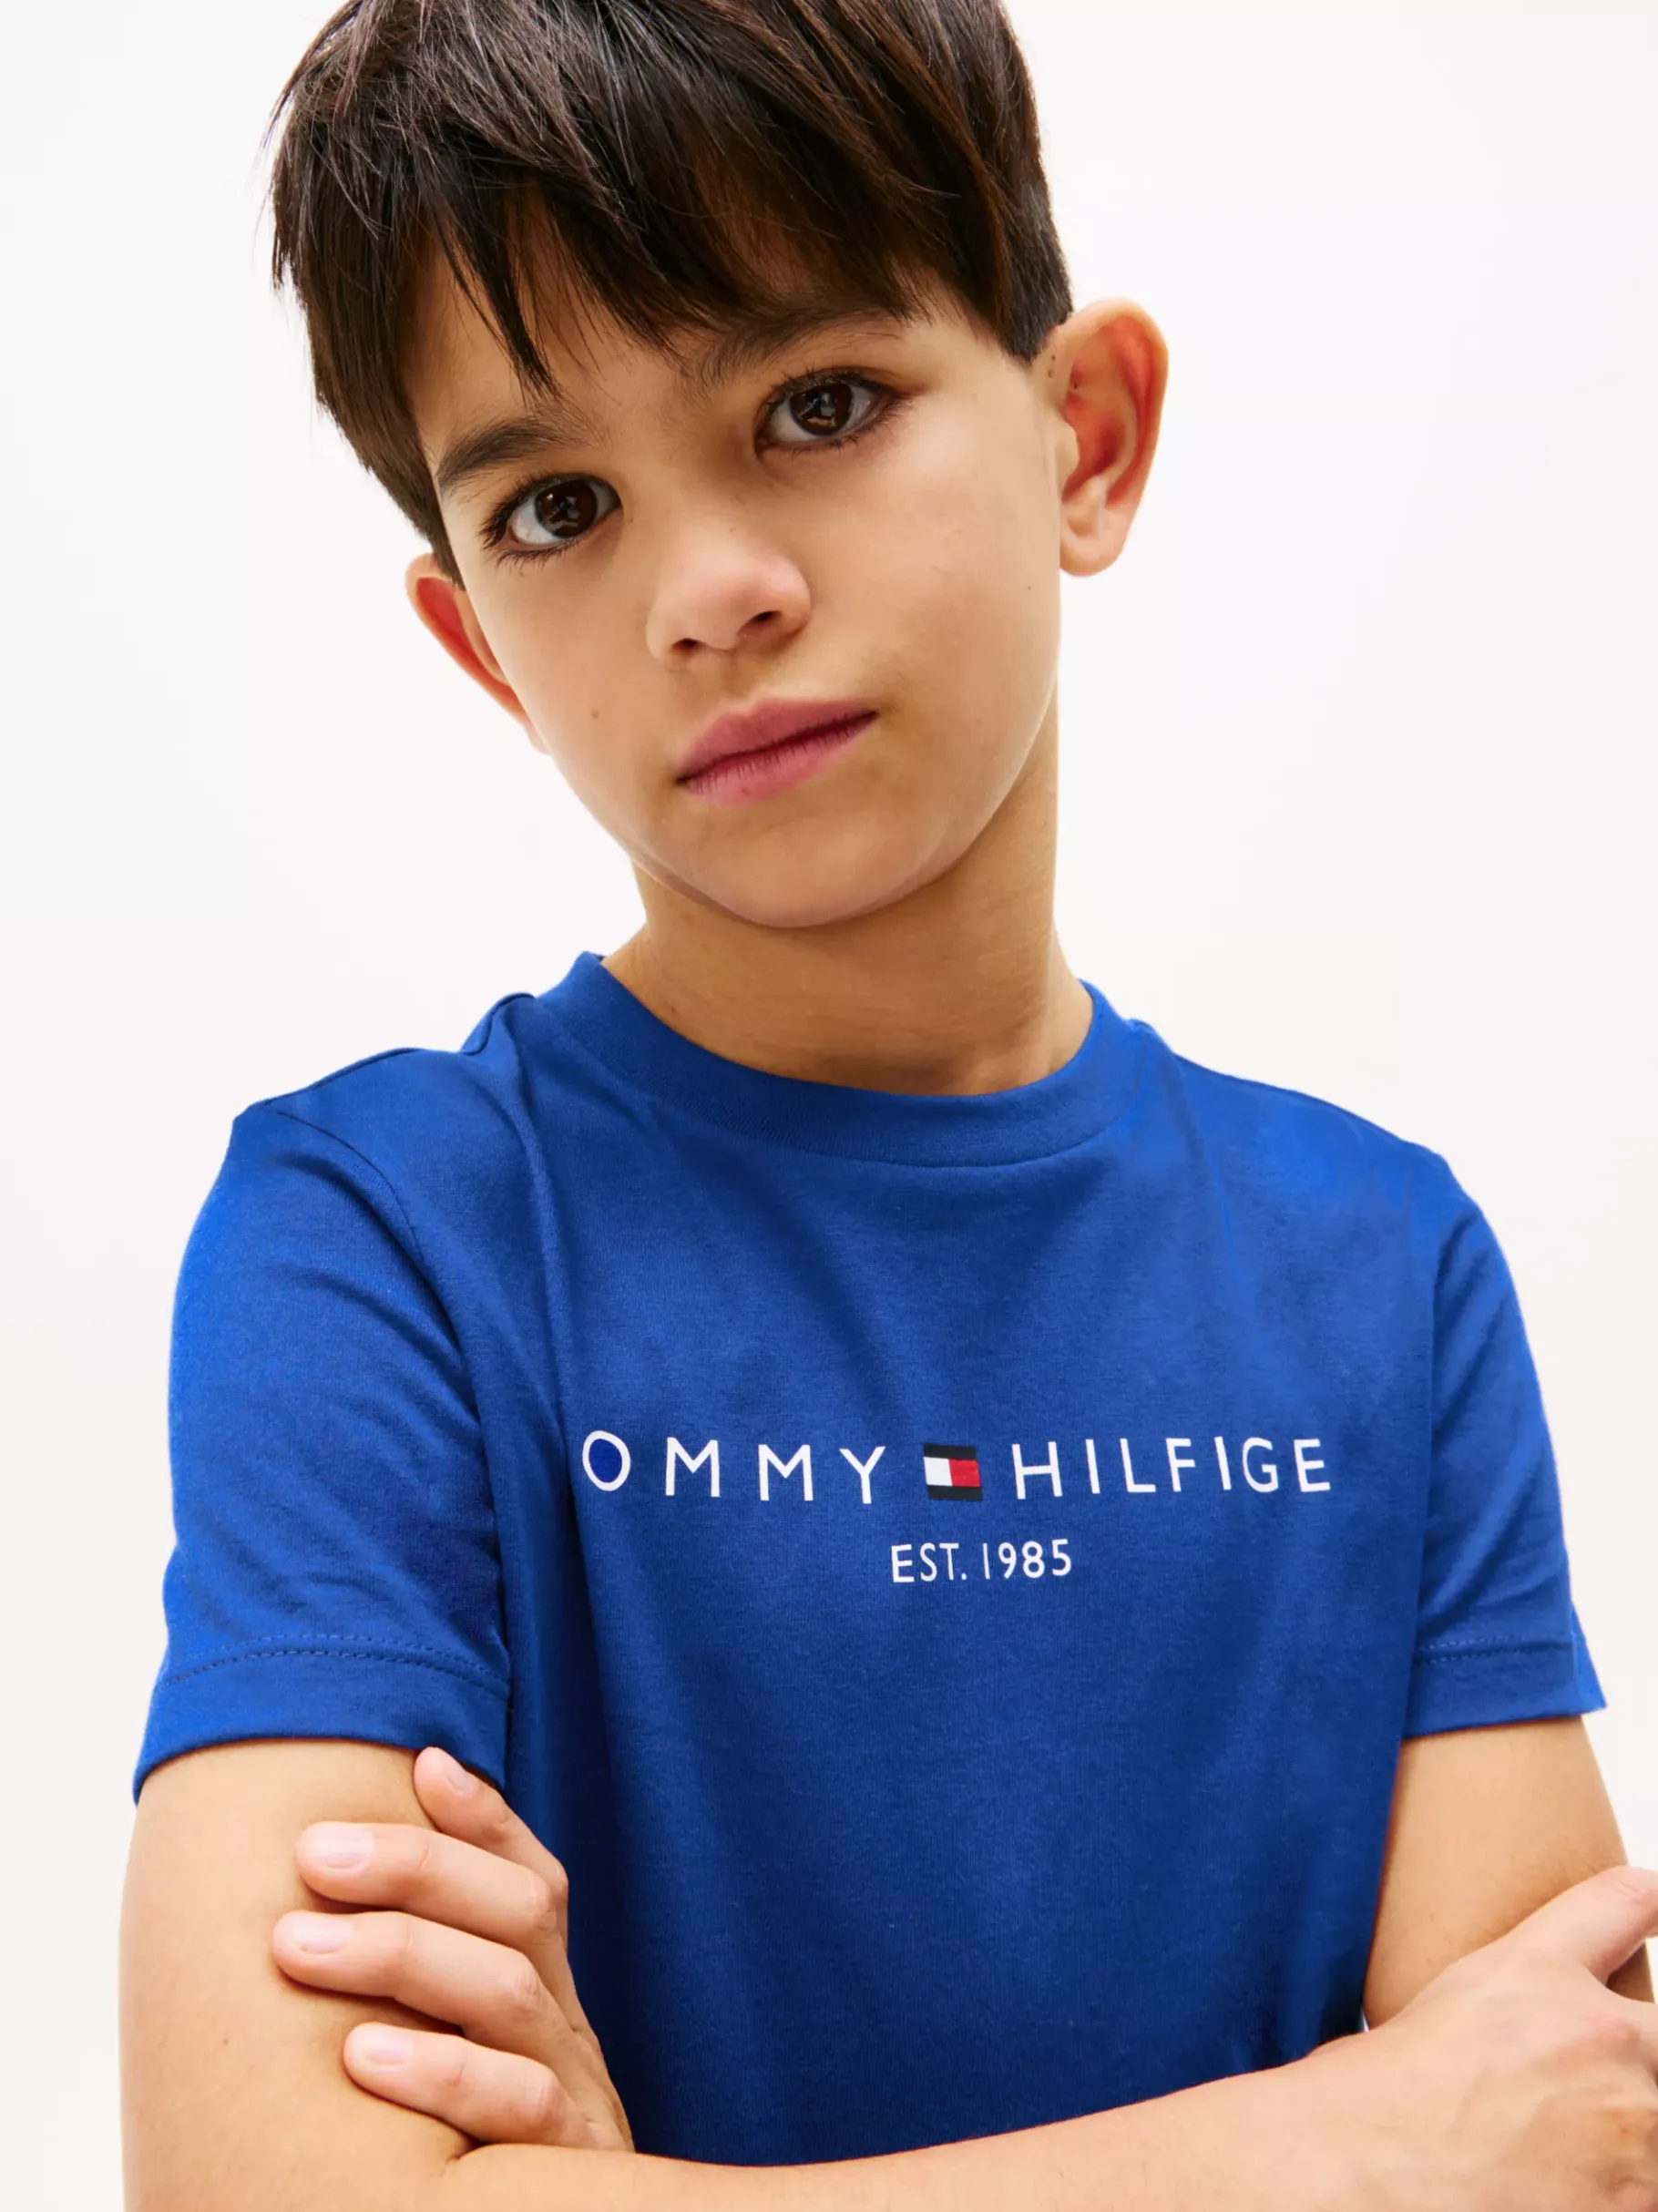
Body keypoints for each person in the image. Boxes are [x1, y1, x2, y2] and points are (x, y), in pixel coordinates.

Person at [120, 2, 1658, 2207]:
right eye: (559, 505)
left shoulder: (1381, 1263)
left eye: (817, 405)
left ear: (1085, 441)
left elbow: (1562, 2145)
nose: (708, 590)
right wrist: (1351, 2136)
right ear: (479, 648)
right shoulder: (379, 1237)